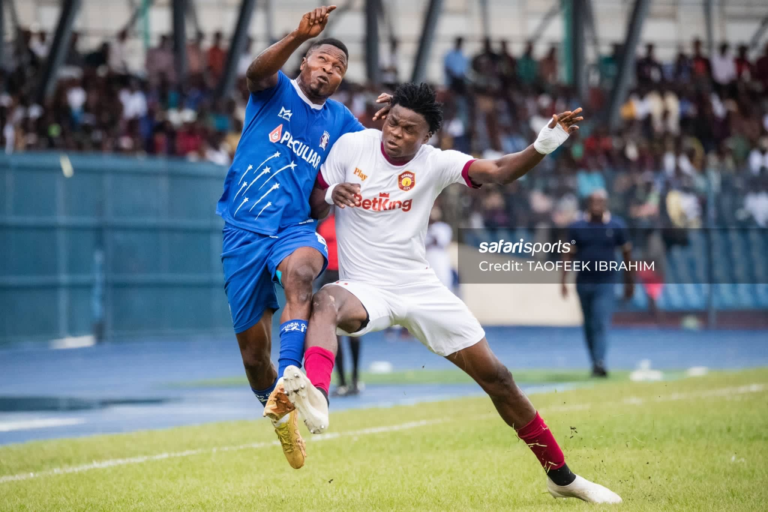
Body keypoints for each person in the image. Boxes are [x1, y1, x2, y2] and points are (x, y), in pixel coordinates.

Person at [276, 83, 620, 503]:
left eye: (409, 130)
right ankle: (318, 395)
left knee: (499, 378)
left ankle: (561, 477)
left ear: (426, 138)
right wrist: (330, 193)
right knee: (326, 300)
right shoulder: (352, 147)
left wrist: (545, 143)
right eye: (394, 123)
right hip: (364, 287)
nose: (397, 134)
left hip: (419, 287)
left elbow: (500, 172)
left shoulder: (436, 163)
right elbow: (314, 200)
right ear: (385, 117)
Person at [215, 5, 389, 470]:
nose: (330, 70)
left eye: (339, 68)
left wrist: (394, 117)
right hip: (243, 230)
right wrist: (297, 35)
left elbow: (379, 145)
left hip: (294, 228)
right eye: (323, 61)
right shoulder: (274, 92)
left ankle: (294, 374)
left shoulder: (340, 121)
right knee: (254, 358)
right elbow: (255, 70)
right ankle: (281, 418)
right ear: (305, 63)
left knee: (302, 273)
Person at [561, 190, 634, 377]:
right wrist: (563, 280)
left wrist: (629, 283)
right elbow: (568, 254)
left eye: (600, 201)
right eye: (594, 201)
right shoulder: (577, 227)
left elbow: (627, 256)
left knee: (601, 320)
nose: (597, 204)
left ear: (606, 203)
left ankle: (600, 361)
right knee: (589, 324)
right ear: (588, 203)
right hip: (584, 281)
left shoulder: (616, 226)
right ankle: (595, 360)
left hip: (606, 281)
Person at [317, 213, 363, 396]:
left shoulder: (353, 221)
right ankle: (342, 382)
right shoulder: (322, 224)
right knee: (335, 333)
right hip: (329, 277)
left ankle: (355, 378)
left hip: (349, 277)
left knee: (354, 331)